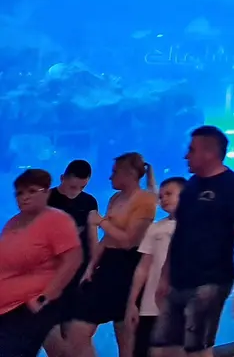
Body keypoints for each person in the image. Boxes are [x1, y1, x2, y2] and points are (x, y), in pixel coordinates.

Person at [152, 126, 234, 357]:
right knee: (163, 349)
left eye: (191, 150)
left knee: (196, 348)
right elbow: (180, 233)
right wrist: (164, 276)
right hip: (179, 279)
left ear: (209, 153)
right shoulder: (190, 187)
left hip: (212, 279)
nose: (186, 155)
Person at [66, 153, 159, 357]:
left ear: (129, 174)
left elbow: (129, 241)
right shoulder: (115, 198)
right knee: (77, 332)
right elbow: (107, 239)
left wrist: (100, 221)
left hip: (130, 268)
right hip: (108, 266)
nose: (110, 177)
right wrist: (90, 268)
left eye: (115, 172)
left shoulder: (145, 201)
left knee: (127, 337)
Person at [0, 169, 83, 357]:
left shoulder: (56, 220)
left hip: (29, 306)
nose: (24, 197)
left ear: (46, 192)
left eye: (31, 191)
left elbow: (72, 260)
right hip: (7, 308)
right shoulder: (12, 223)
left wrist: (44, 298)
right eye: (20, 193)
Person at [124, 177, 185, 357]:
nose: (164, 198)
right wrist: (132, 303)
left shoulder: (197, 228)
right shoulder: (156, 228)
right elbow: (143, 267)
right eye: (161, 196)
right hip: (150, 304)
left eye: (169, 194)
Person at [44, 160, 97, 357]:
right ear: (62, 179)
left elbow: (92, 237)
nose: (76, 191)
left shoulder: (89, 202)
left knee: (76, 336)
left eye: (82, 187)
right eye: (73, 186)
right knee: (52, 336)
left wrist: (93, 266)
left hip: (78, 275)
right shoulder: (46, 199)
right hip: (50, 276)